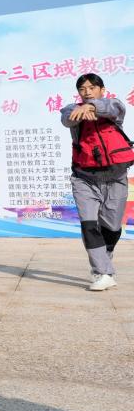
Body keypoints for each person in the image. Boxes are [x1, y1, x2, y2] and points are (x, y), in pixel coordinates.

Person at [61, 73, 132, 291]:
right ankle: (103, 272)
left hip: (115, 177)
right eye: (82, 89)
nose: (87, 92)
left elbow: (115, 107)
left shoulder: (113, 107)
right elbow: (66, 118)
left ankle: (105, 255)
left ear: (102, 89)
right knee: (89, 225)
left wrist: (92, 107)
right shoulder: (72, 109)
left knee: (112, 227)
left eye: (92, 88)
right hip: (84, 178)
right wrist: (80, 112)